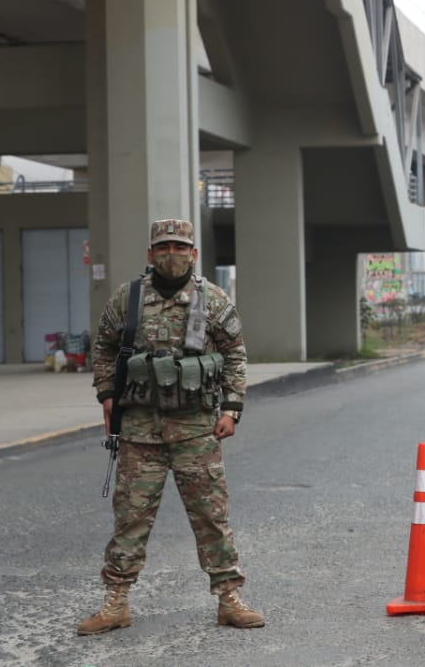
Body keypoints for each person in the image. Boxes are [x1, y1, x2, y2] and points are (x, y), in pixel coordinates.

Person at [78, 218, 263, 635]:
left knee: (211, 515)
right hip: (140, 429)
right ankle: (116, 602)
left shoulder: (212, 300)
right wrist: (106, 395)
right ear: (150, 254)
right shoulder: (128, 299)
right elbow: (104, 348)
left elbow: (235, 354)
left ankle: (229, 598)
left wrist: (231, 409)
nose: (172, 255)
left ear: (194, 254)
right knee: (130, 518)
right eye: (163, 248)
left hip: (196, 427)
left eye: (180, 248)